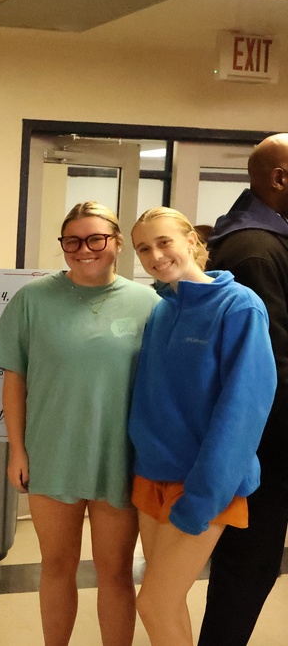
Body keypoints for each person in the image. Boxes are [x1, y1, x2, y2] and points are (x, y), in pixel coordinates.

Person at [0, 201, 159, 646]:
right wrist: (17, 450)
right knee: (56, 566)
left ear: (117, 243)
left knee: (115, 572)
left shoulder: (149, 304)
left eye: (96, 239)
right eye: (72, 241)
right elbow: (14, 380)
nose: (84, 249)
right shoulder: (32, 299)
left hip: (119, 458)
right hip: (50, 454)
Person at [128, 207, 275, 645]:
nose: (155, 255)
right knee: (166, 603)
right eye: (143, 248)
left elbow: (244, 409)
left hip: (204, 485)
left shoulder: (240, 306)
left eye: (164, 241)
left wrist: (204, 495)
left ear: (192, 240)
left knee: (152, 604)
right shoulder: (162, 310)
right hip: (152, 476)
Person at [199, 133, 288, 645]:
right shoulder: (254, 250)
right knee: (247, 568)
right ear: (279, 178)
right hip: (264, 443)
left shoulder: (257, 239)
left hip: (261, 438)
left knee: (248, 567)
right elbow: (271, 364)